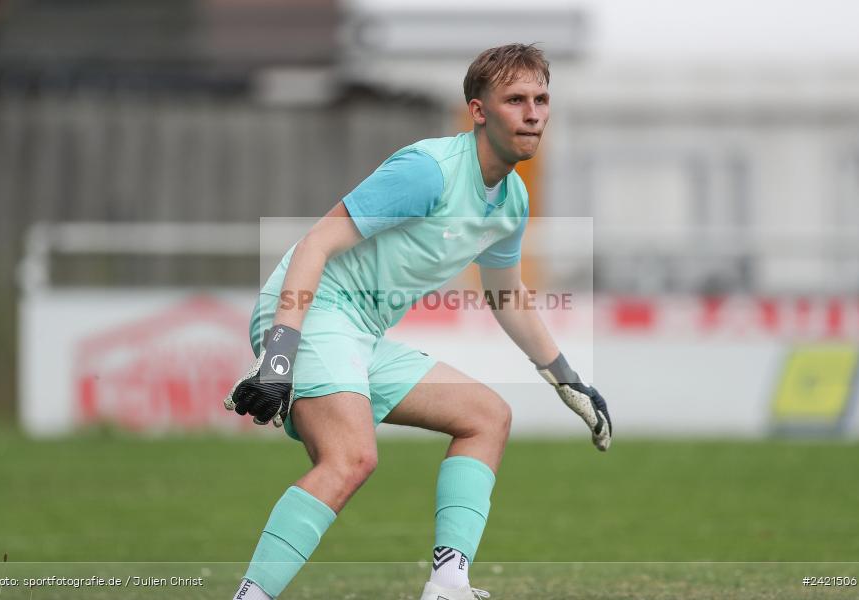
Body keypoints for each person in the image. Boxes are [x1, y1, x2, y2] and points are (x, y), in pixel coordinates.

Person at [225, 43, 612, 600]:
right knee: (351, 457)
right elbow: (316, 244)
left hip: (360, 334)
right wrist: (280, 353)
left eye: (541, 99)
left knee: (486, 416)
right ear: (478, 111)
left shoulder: (511, 201)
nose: (532, 113)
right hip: (316, 311)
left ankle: (448, 585)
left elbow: (506, 296)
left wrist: (567, 378)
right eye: (515, 99)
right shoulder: (428, 171)